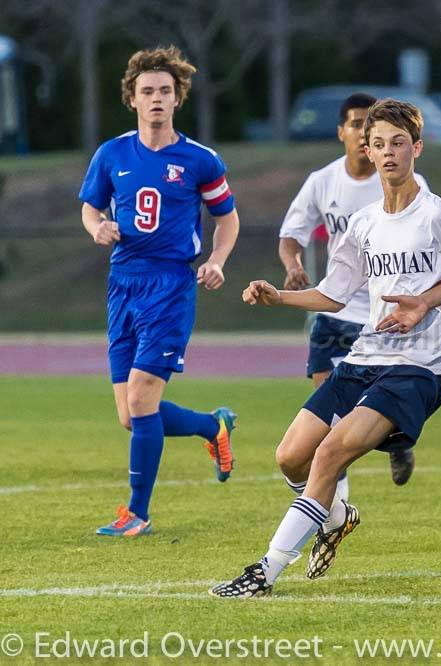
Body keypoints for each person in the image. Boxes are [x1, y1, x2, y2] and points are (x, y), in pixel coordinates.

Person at [209, 99, 441, 597]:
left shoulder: (438, 215)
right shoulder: (363, 223)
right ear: (366, 150)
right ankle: (338, 514)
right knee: (290, 458)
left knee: (328, 455)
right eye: (379, 144)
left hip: (419, 366)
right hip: (365, 358)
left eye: (399, 143)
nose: (389, 153)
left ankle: (265, 571)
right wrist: (279, 296)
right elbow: (334, 292)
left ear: (417, 148)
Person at [78, 46, 241, 537]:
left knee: (144, 401)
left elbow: (227, 218)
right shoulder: (111, 154)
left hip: (170, 285)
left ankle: (138, 513)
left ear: (177, 99)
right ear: (132, 99)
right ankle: (213, 426)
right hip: (121, 284)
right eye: (147, 91)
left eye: (164, 91)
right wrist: (97, 228)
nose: (156, 99)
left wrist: (216, 261)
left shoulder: (198, 159)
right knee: (130, 416)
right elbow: (90, 209)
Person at [277, 93, 428, 494]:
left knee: (367, 411)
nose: (364, 132)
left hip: (382, 317)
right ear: (342, 132)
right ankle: (335, 501)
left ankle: (393, 439)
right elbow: (291, 234)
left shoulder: (405, 182)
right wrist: (293, 266)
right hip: (334, 310)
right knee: (328, 409)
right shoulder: (323, 182)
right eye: (357, 123)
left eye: (370, 124)